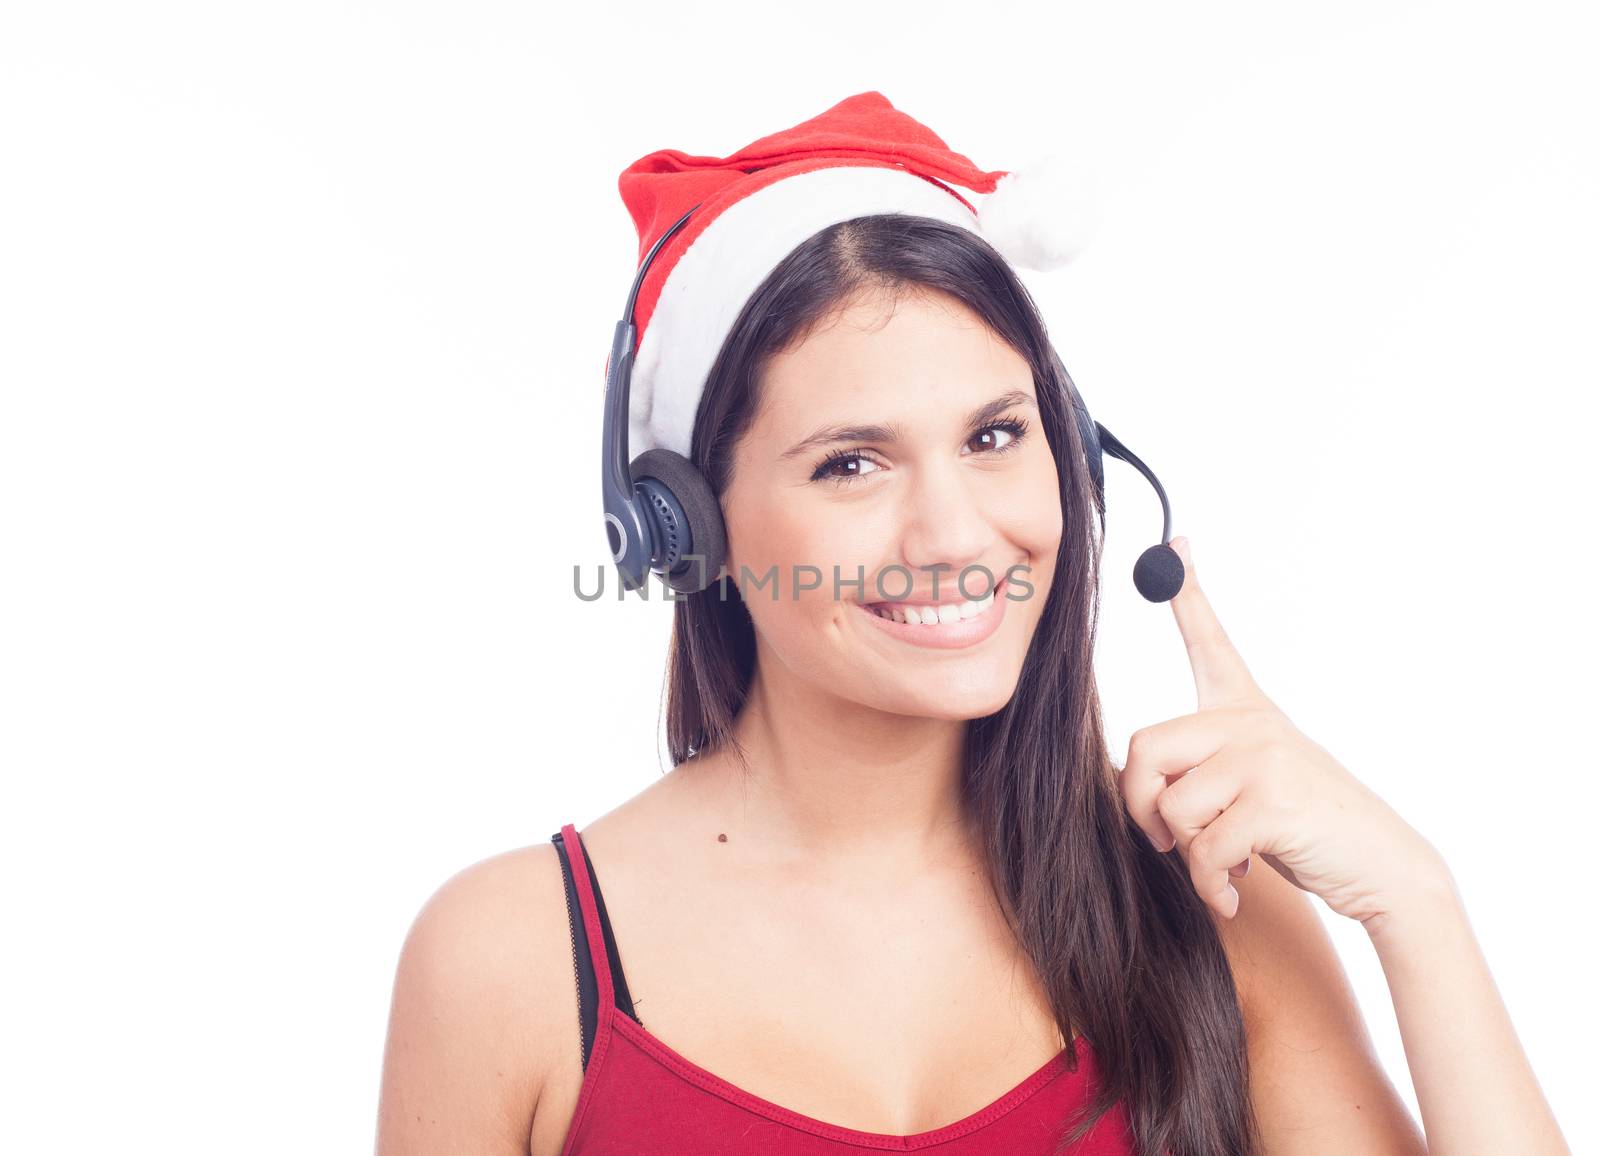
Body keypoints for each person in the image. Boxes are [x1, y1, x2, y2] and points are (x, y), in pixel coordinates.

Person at [374, 92, 1569, 1155]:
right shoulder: (507, 963)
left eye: (995, 435)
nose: (953, 535)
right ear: (687, 526)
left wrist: (1418, 905)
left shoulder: (1209, 900)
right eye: (851, 463)